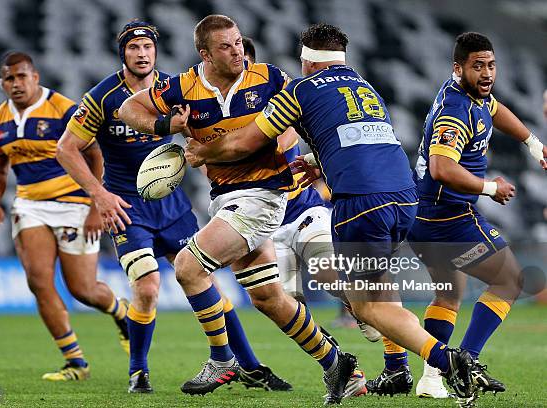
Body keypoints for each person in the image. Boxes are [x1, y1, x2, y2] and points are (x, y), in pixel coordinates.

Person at [182, 23, 485, 401]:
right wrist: (318, 161)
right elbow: (357, 139)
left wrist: (200, 152)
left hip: (357, 203)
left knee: (367, 306)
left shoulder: (298, 89)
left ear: (307, 61)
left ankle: (445, 360)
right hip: (404, 196)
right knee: (367, 297)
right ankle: (402, 369)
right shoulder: (362, 84)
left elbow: (244, 142)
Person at [118, 15, 357, 404]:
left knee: (187, 267)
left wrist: (284, 136)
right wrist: (164, 125)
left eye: (238, 43)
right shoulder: (183, 87)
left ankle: (222, 358)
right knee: (268, 298)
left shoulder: (270, 78)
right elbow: (130, 108)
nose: (237, 52)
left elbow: (297, 121)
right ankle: (338, 366)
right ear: (205, 53)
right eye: (226, 46)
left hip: (263, 196)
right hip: (226, 200)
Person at [57, 19, 290, 394]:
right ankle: (138, 371)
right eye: (134, 48)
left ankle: (248, 366)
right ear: (123, 54)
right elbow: (66, 148)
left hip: (174, 207)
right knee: (147, 286)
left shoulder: (178, 88)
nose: (142, 54)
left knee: (205, 281)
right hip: (127, 207)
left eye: (147, 47)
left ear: (155, 51)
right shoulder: (103, 96)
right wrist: (98, 196)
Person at [407, 32, 547, 399]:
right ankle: (465, 363)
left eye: (491, 65)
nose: (487, 73)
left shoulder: (473, 95)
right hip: (448, 217)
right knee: (510, 280)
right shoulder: (457, 110)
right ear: (458, 68)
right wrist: (489, 187)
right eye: (477, 66)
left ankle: (432, 378)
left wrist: (532, 144)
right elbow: (441, 166)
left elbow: (496, 110)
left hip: (423, 216)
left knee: (449, 295)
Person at [0, 51, 129, 382]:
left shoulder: (64, 109)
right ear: (1, 83)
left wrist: (96, 205)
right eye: (9, 78)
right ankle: (76, 362)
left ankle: (121, 312)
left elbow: (96, 155)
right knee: (39, 281)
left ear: (35, 77)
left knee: (83, 290)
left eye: (22, 76)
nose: (16, 83)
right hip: (29, 205)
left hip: (75, 204)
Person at [242, 35, 369, 398]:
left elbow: (284, 141)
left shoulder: (279, 93)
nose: (243, 73)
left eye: (248, 66)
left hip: (301, 210)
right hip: (263, 225)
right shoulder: (213, 113)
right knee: (279, 304)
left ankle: (381, 329)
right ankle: (345, 367)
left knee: (331, 273)